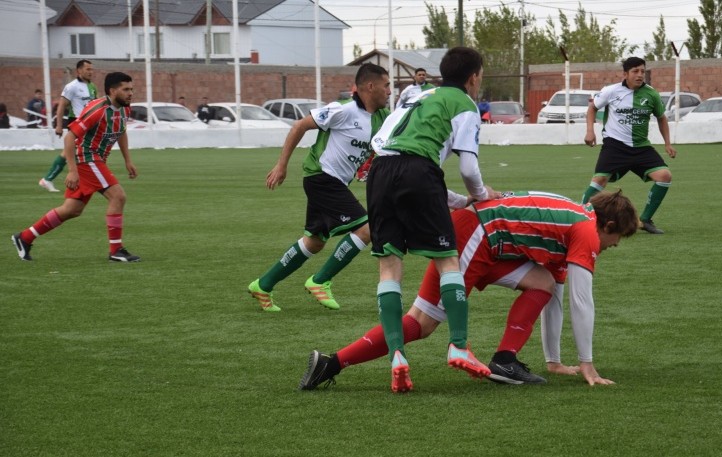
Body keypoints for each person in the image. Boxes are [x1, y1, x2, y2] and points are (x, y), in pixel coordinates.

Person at [298, 190, 639, 390]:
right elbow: (582, 302)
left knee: (543, 284)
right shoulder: (586, 232)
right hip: (476, 234)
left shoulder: (574, 221)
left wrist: (554, 362)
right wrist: (588, 366)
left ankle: (505, 360)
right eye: (617, 238)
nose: (615, 245)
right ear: (607, 225)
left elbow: (558, 295)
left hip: (485, 236)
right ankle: (333, 363)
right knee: (422, 322)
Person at [366, 46, 502, 393]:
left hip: (379, 170)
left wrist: (458, 201)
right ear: (473, 78)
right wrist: (484, 196)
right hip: (418, 170)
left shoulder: (416, 98)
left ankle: (396, 354)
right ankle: (458, 345)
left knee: (389, 268)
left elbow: (400, 159)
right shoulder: (465, 105)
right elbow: (467, 169)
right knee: (447, 260)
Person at [247, 63, 391, 312]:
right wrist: (282, 165)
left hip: (334, 181)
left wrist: (368, 165)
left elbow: (381, 147)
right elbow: (299, 126)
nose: (390, 91)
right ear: (371, 86)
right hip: (321, 177)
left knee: (314, 242)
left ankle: (263, 285)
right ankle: (320, 280)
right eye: (387, 85)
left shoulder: (381, 118)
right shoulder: (342, 110)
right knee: (368, 229)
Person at [12, 72, 140, 263]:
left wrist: (127, 160)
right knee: (118, 196)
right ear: (112, 91)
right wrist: (72, 170)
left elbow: (121, 131)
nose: (131, 93)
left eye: (131, 89)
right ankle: (116, 250)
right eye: (126, 89)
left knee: (72, 209)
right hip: (87, 159)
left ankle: (25, 237)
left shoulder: (124, 109)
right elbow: (69, 136)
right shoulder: (97, 110)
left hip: (96, 160)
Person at [582, 56, 677, 235]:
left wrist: (667, 143)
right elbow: (592, 108)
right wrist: (590, 131)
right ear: (625, 74)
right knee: (600, 180)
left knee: (665, 175)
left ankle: (645, 220)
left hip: (641, 147)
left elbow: (661, 118)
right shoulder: (611, 91)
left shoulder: (651, 94)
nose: (640, 75)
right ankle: (580, 218)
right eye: (635, 71)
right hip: (615, 146)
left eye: (642, 71)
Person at [39, 59, 98, 193]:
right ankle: (48, 179)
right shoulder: (71, 86)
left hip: (88, 125)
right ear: (79, 71)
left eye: (91, 69)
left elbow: (94, 107)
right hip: (76, 123)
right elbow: (61, 107)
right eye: (87, 69)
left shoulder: (93, 86)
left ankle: (49, 179)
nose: (90, 72)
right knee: (71, 152)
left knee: (72, 152)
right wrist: (59, 126)